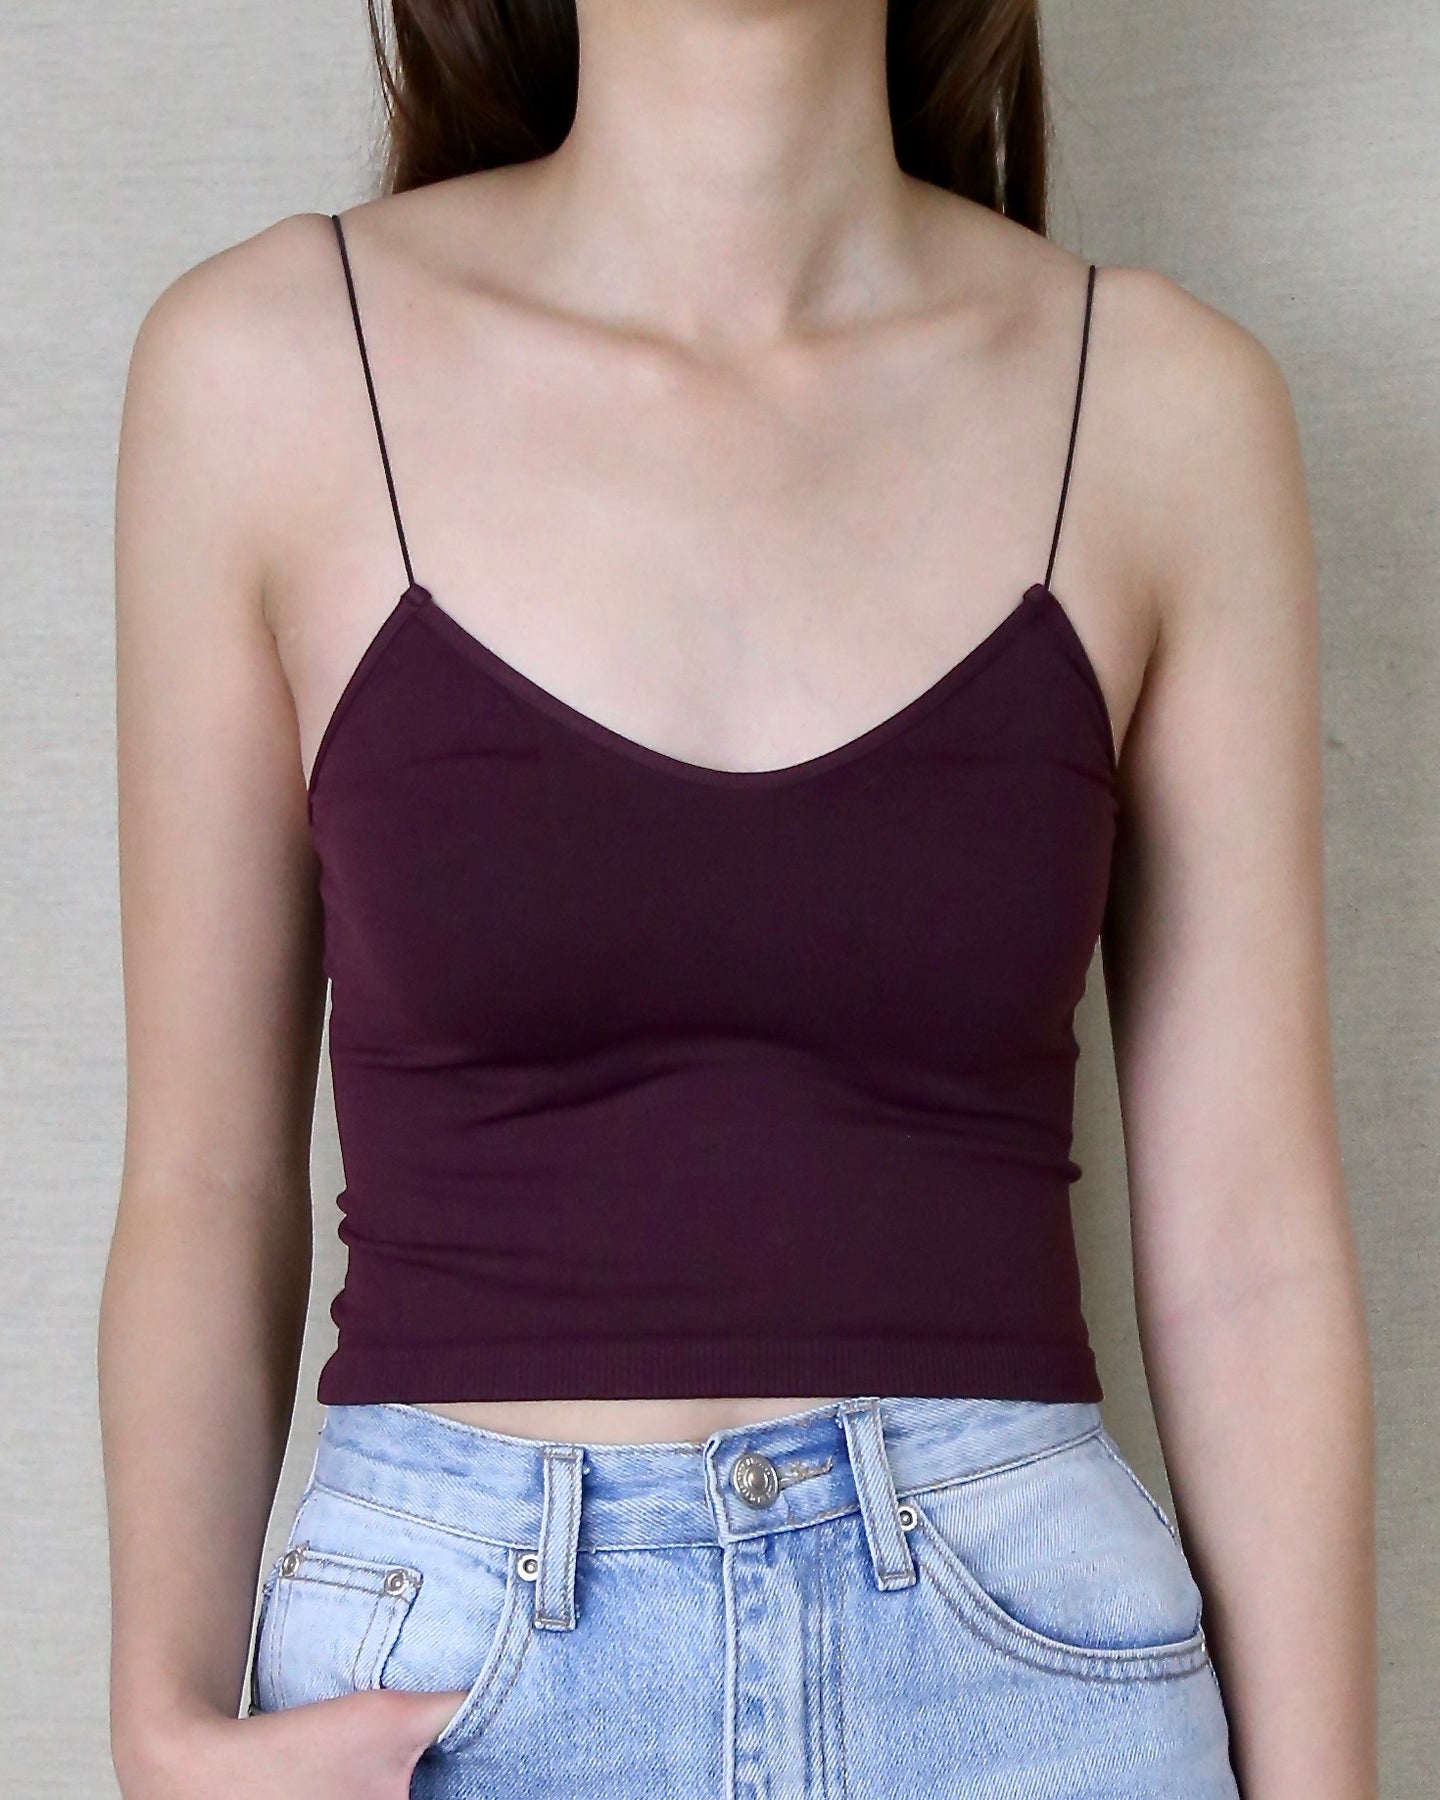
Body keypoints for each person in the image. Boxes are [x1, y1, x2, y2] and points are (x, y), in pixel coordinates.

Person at [100, 3, 1376, 1797]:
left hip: (1030, 1689)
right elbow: (205, 1180)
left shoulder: (1167, 408)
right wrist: (162, 1726)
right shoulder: (267, 373)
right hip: (447, 1691)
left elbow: (1253, 1247)